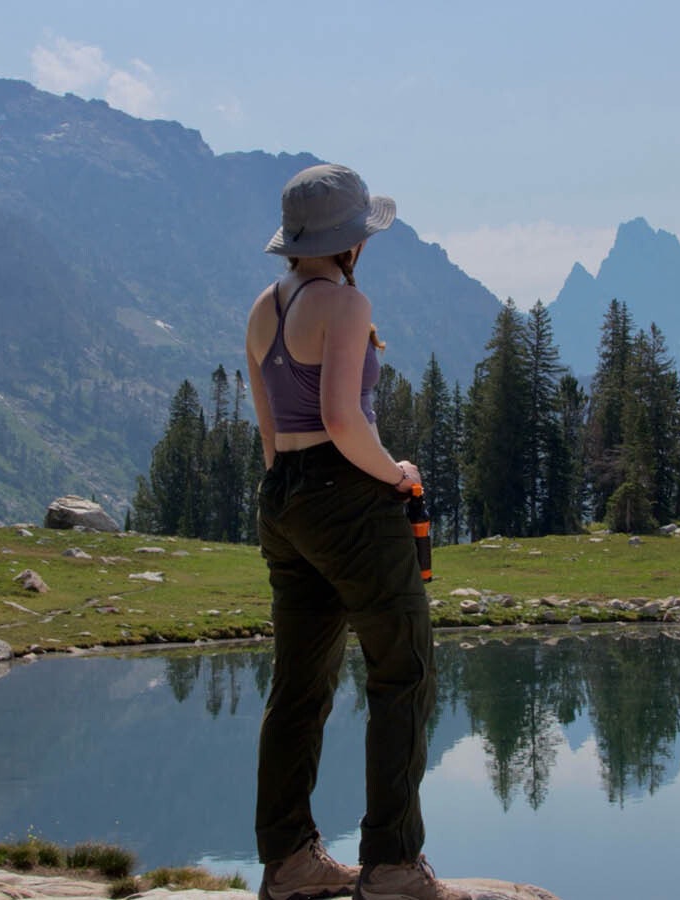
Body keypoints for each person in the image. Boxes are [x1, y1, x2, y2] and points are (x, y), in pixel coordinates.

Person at [247, 164, 470, 900]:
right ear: (351, 242)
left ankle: (288, 863)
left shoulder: (263, 308)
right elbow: (345, 420)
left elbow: (273, 434)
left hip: (283, 499)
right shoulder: (344, 306)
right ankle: (393, 866)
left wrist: (297, 495)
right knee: (401, 671)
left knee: (300, 686)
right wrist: (397, 472)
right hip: (349, 498)